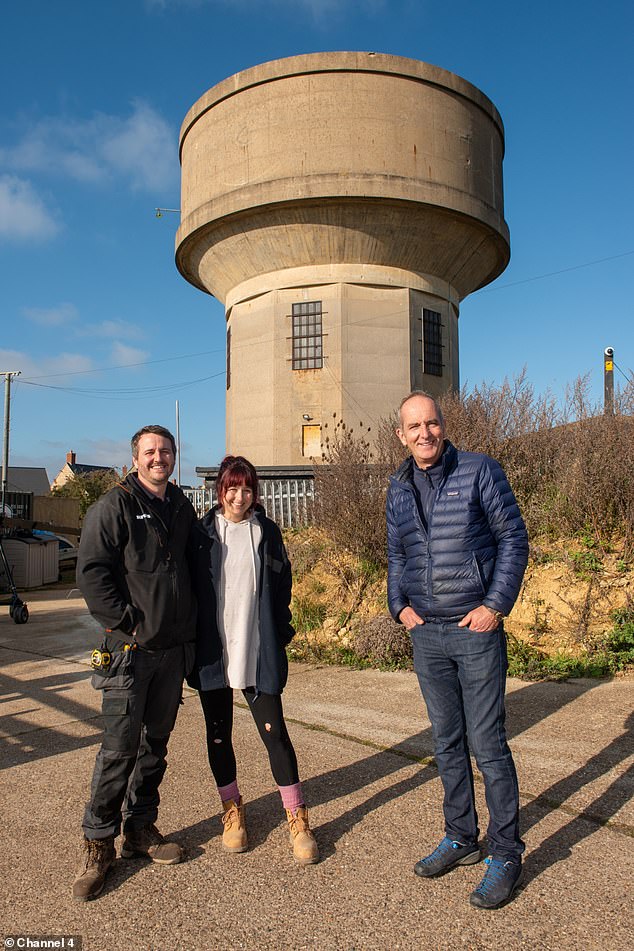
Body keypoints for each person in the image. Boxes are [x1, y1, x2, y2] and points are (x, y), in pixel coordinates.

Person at [387, 392, 529, 910]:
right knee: (447, 742)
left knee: (487, 745)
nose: (424, 433)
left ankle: (507, 852)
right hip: (427, 634)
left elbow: (514, 538)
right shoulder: (398, 487)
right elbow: (396, 552)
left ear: (443, 427)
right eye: (413, 426)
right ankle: (461, 837)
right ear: (401, 435)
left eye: (431, 423)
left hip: (474, 630)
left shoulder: (479, 471)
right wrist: (397, 604)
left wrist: (495, 604)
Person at [72, 425, 197, 901]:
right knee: (118, 750)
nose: (158, 458)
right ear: (135, 459)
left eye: (165, 450)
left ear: (173, 455)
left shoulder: (181, 506)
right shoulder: (115, 505)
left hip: (171, 652)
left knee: (155, 746)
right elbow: (92, 574)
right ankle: (98, 844)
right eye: (150, 452)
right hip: (128, 654)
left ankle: (140, 830)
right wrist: (130, 623)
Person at [189, 455, 319, 865]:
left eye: (247, 488)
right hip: (214, 649)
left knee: (275, 733)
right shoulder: (203, 534)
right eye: (233, 487)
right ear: (220, 490)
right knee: (217, 734)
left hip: (256, 647)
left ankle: (297, 816)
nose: (240, 496)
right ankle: (232, 809)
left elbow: (283, 585)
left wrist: (281, 632)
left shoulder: (266, 531)